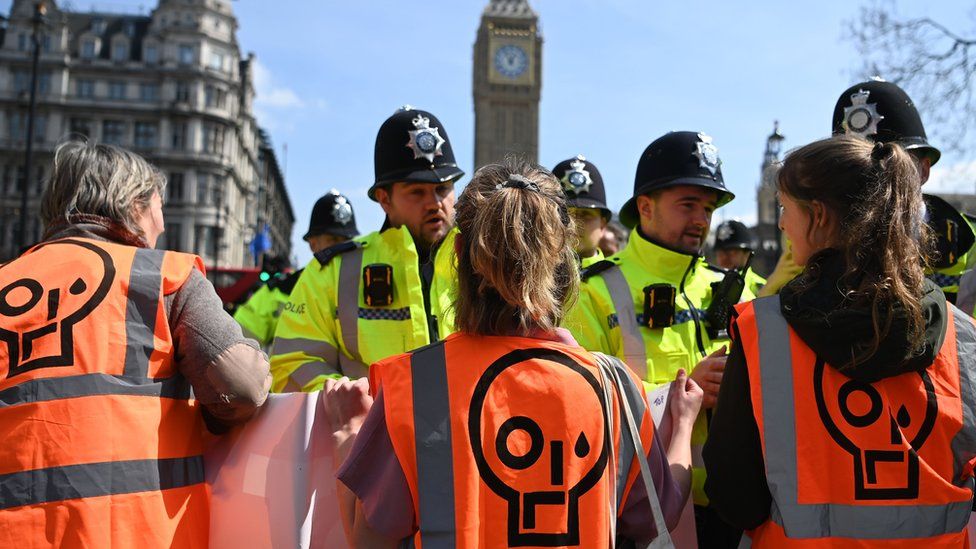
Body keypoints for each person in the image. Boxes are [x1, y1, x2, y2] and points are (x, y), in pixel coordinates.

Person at [326, 159, 703, 548]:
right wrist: (684, 424)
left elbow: (368, 541)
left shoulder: (412, 386)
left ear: (458, 252)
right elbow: (662, 511)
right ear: (562, 259)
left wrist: (348, 433)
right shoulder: (616, 389)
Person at [704, 136, 976, 547]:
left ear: (817, 216)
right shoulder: (964, 335)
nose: (780, 223)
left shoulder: (763, 332)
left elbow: (735, 496)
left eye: (785, 208)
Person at [0, 141, 271, 546]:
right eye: (159, 208)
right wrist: (210, 421)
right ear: (133, 204)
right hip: (133, 534)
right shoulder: (160, 276)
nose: (160, 227)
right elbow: (242, 385)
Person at [563, 130, 753, 547]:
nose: (702, 218)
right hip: (640, 508)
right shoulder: (593, 291)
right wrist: (682, 392)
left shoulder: (734, 288)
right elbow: (583, 404)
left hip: (733, 509)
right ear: (645, 207)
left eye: (707, 207)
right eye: (688, 204)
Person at [270, 106, 463, 392]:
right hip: (373, 435)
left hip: (471, 435)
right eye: (417, 192)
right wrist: (350, 400)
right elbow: (291, 364)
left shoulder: (483, 260)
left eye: (443, 188)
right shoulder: (333, 270)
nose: (435, 203)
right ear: (384, 200)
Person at [760, 78, 976, 302]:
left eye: (889, 168)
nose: (873, 187)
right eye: (853, 174)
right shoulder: (806, 242)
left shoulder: (970, 246)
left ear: (923, 170)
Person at [234, 189, 360, 347]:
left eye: (347, 240)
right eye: (333, 239)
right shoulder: (278, 293)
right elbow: (238, 348)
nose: (342, 247)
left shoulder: (367, 288)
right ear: (313, 243)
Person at [551, 154, 613, 268]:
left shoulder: (624, 279)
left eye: (586, 214)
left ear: (602, 225)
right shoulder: (531, 280)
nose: (575, 223)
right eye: (566, 214)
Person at [712, 219, 766, 296]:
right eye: (720, 254)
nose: (724, 258)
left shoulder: (763, 288)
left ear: (747, 254)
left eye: (731, 252)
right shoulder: (708, 282)